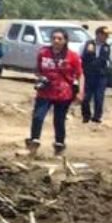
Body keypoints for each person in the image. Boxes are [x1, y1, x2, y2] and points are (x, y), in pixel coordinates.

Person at [28, 28, 82, 157]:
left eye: (59, 39)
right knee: (37, 117)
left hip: (63, 93)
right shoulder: (43, 52)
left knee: (59, 120)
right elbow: (37, 69)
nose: (56, 41)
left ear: (65, 41)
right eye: (54, 38)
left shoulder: (72, 56)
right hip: (45, 91)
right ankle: (33, 142)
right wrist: (41, 78)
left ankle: (59, 145)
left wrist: (80, 92)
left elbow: (80, 74)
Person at [81, 26, 108, 126]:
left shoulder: (107, 46)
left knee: (99, 97)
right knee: (86, 97)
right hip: (88, 75)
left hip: (101, 75)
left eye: (107, 35)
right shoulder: (87, 44)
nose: (106, 37)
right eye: (104, 34)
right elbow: (81, 57)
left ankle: (97, 117)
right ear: (98, 34)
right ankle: (86, 116)